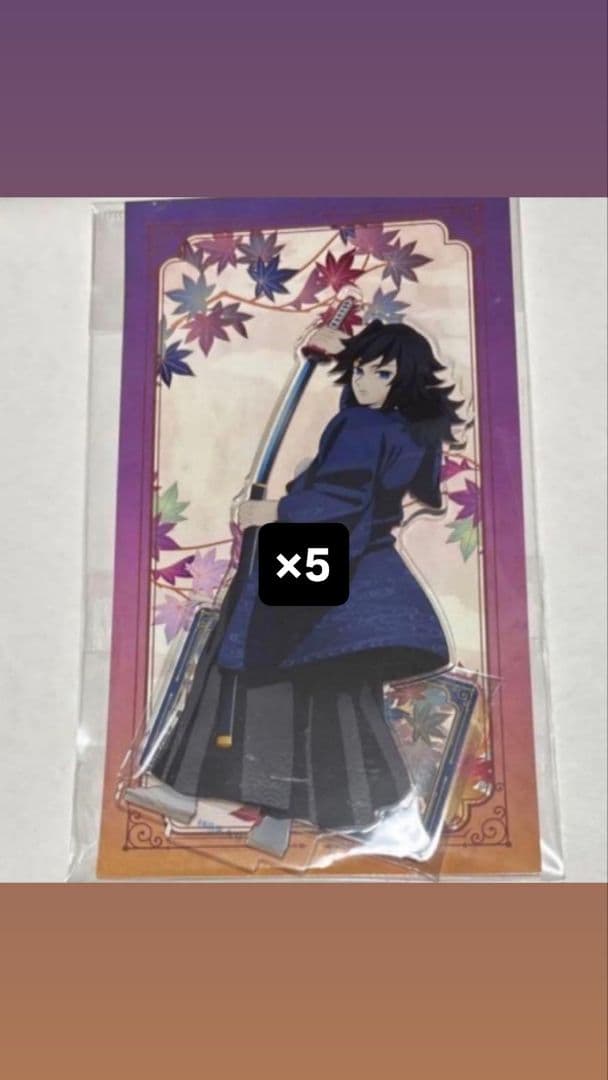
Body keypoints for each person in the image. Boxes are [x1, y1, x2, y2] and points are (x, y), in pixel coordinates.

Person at [126, 320, 463, 844]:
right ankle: (320, 813)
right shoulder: (401, 431)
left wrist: (273, 510)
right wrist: (340, 353)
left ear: (406, 380)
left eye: (382, 374)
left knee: (257, 659)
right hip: (344, 561)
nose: (363, 382)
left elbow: (342, 496)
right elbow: (356, 475)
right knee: (322, 684)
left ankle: (223, 798)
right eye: (360, 370)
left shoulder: (365, 427)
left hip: (320, 554)